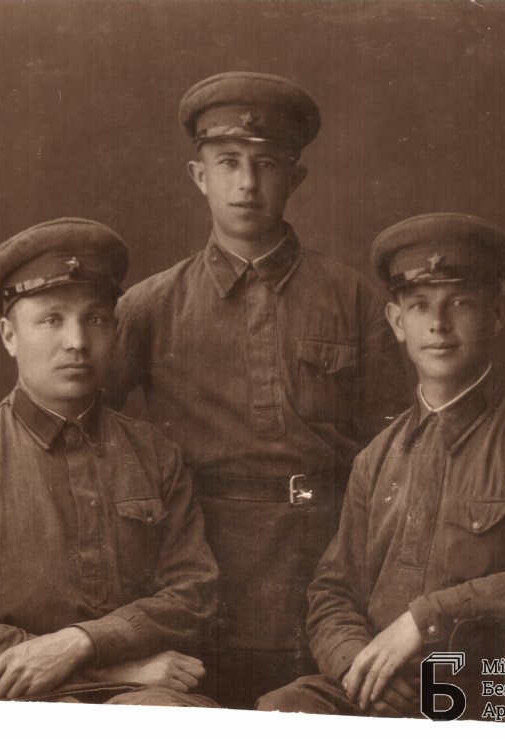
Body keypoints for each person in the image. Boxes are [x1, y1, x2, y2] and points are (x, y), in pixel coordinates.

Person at [112, 72, 407, 708]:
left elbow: (395, 455)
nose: (246, 183)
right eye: (228, 163)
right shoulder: (149, 306)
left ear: (294, 178)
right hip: (197, 569)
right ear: (200, 176)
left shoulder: (353, 299)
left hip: (322, 565)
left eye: (266, 164)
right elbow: (93, 443)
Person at [257, 212, 505, 716]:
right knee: (280, 709)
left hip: (483, 693)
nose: (438, 324)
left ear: (497, 313)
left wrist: (427, 618)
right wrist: (357, 666)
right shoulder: (376, 457)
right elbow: (332, 591)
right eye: (420, 305)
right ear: (398, 323)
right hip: (376, 689)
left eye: (459, 303)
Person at [0, 217, 219, 705]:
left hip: (137, 696)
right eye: (52, 320)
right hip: (5, 699)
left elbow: (193, 595)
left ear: (115, 330)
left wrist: (83, 643)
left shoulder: (155, 454)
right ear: (9, 335)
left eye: (95, 320)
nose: (77, 340)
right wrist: (113, 667)